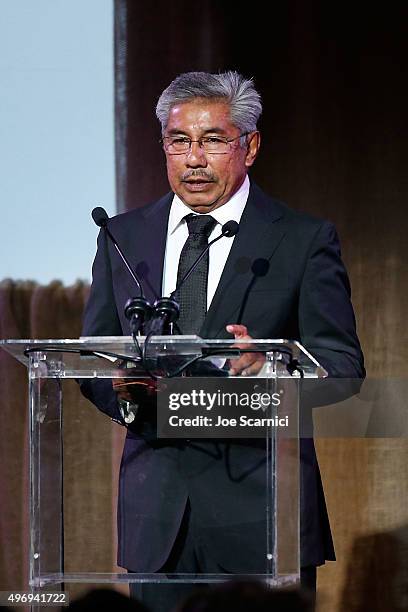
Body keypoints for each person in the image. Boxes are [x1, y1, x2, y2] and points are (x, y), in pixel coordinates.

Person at [80, 71, 364, 612]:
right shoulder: (123, 235)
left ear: (249, 146)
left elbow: (344, 366)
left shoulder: (301, 239)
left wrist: (269, 368)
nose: (193, 159)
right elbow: (91, 356)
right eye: (178, 141)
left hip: (262, 511)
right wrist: (121, 388)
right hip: (156, 516)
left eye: (212, 140)